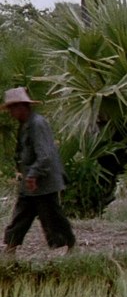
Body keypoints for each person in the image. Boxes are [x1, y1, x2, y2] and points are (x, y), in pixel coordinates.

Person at [2, 87, 76, 256]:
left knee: (52, 216)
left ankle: (68, 246)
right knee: (22, 215)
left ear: (22, 107)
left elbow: (45, 155)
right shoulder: (25, 125)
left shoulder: (37, 124)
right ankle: (10, 248)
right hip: (31, 182)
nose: (11, 113)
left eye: (12, 108)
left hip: (44, 182)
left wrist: (33, 174)